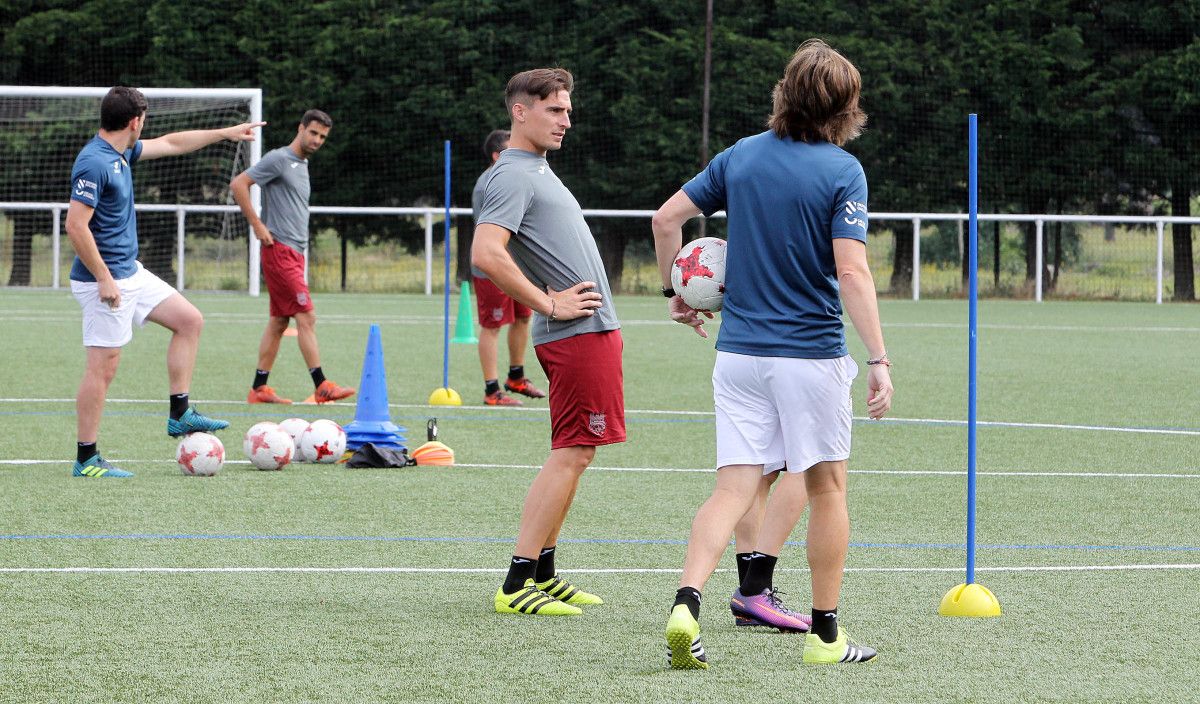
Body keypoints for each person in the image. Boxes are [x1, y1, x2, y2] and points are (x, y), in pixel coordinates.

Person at [652, 39, 894, 667]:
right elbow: (853, 272)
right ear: (846, 107)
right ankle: (825, 637)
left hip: (737, 357)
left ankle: (686, 602)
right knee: (827, 488)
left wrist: (674, 293)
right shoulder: (844, 171)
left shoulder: (740, 157)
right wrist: (879, 358)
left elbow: (664, 219)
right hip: (808, 356)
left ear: (785, 92)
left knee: (731, 489)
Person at [472, 68, 624, 616]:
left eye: (567, 109)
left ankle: (545, 572)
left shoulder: (536, 169)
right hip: (575, 332)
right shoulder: (512, 174)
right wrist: (550, 302)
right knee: (573, 453)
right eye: (554, 110)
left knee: (576, 454)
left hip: (590, 332)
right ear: (520, 111)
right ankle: (516, 583)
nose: (566, 119)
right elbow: (486, 253)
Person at [66, 86, 262, 478]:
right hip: (102, 280)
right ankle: (86, 458)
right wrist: (104, 279)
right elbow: (75, 226)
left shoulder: (122, 152)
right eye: (145, 120)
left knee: (189, 320)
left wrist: (225, 133)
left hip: (129, 271)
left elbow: (173, 143)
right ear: (135, 121)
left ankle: (180, 412)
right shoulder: (94, 162)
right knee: (103, 368)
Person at [230, 110, 355, 406]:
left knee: (278, 323)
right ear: (300, 128)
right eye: (313, 133)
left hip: (294, 253)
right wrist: (258, 225)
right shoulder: (279, 159)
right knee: (306, 316)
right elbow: (238, 185)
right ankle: (321, 385)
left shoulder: (302, 164)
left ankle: (259, 388)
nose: (317, 140)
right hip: (280, 251)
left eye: (323, 137)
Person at [470, 128, 545, 406]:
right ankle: (492, 391)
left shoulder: (515, 176)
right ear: (496, 155)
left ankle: (516, 377)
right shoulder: (489, 183)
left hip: (518, 267)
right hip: (494, 268)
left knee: (524, 318)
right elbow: (493, 236)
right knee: (492, 326)